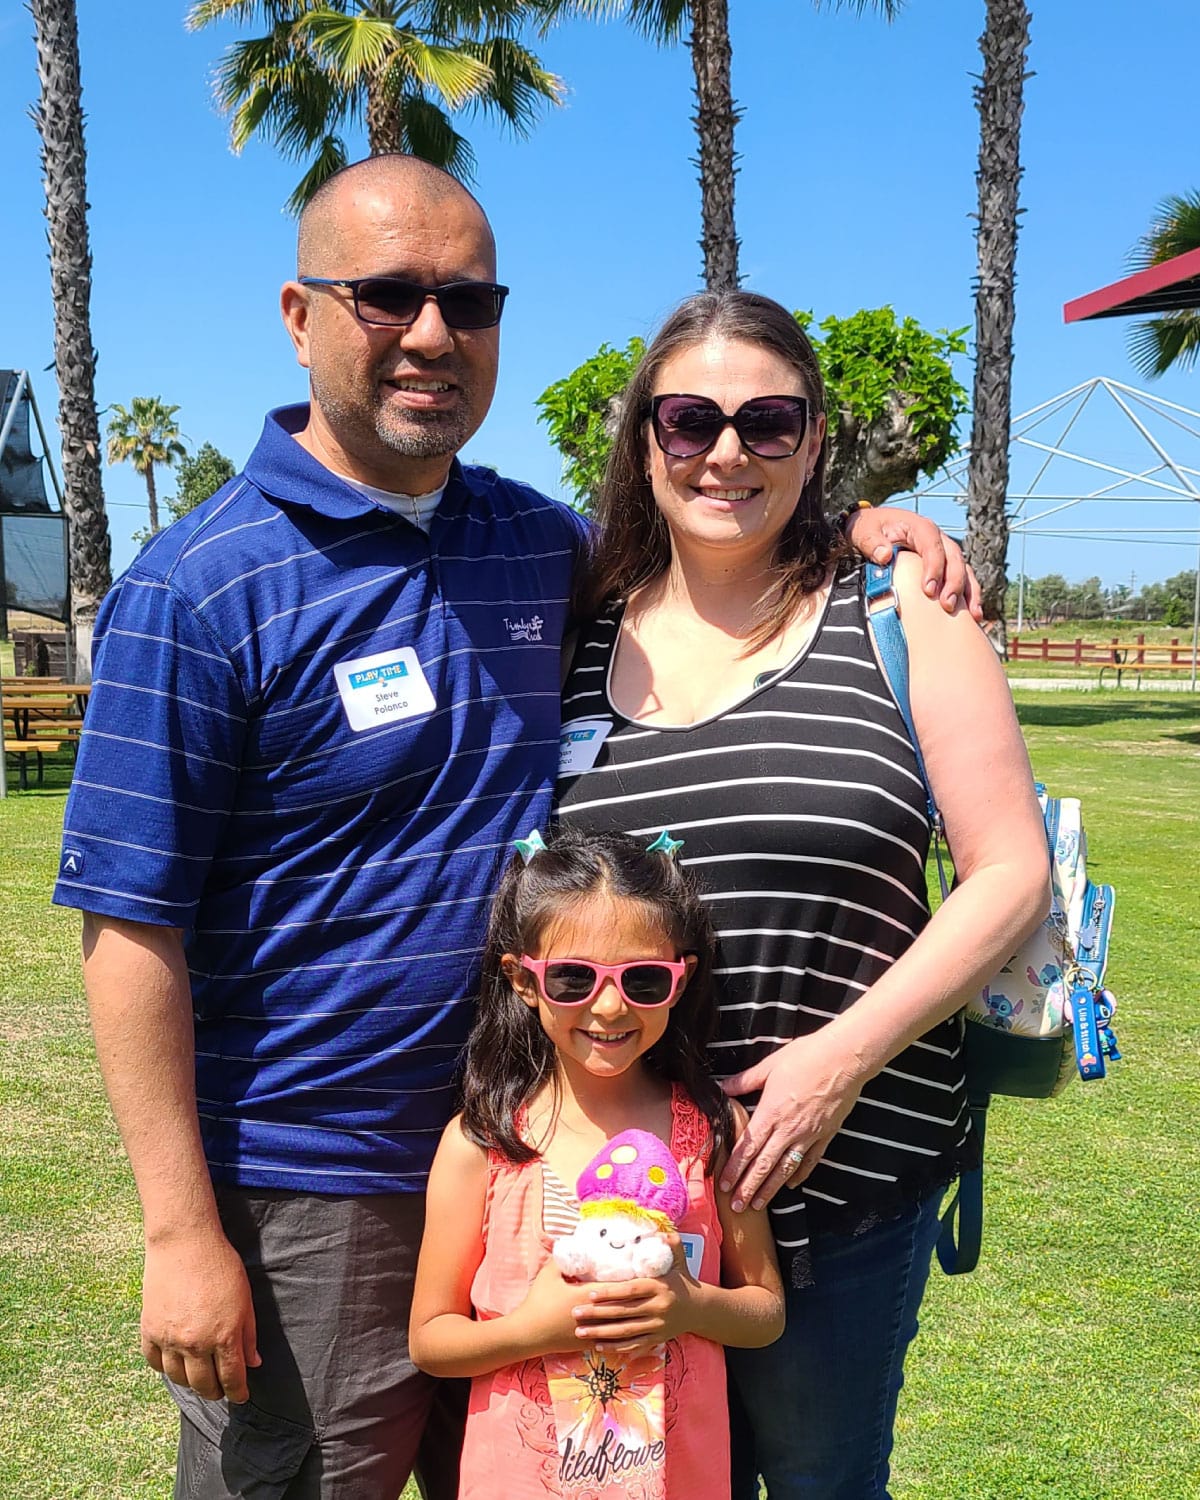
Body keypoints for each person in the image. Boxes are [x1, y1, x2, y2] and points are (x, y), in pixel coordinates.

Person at [51, 151, 980, 1500]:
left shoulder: (542, 548)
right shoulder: (200, 585)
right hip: (325, 1190)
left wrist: (864, 529)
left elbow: (724, 548)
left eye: (469, 303)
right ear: (299, 316)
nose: (433, 335)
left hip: (553, 1152)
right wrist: (182, 1231)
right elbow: (128, 923)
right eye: (385, 296)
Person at [554, 289, 1051, 1499]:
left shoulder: (900, 610)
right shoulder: (575, 631)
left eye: (768, 422)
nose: (727, 452)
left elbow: (1012, 874)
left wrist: (841, 1059)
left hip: (842, 1191)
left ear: (812, 442)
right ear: (645, 441)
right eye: (690, 420)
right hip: (616, 1205)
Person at [408, 825, 784, 1497]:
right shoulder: (481, 1146)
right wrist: (533, 1330)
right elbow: (431, 1339)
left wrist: (690, 1307)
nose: (609, 1006)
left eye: (642, 979)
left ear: (681, 979)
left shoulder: (714, 1134)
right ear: (523, 980)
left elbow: (766, 1310)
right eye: (574, 978)